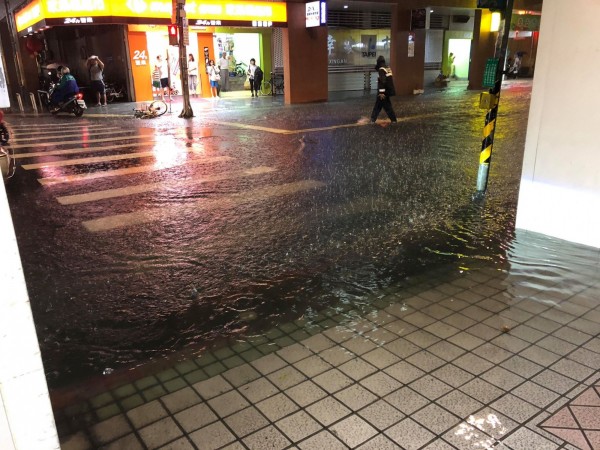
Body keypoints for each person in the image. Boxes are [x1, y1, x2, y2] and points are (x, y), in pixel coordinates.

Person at [370, 55, 397, 124]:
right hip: (388, 90)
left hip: (383, 92)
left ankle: (393, 120)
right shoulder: (387, 68)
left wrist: (381, 93)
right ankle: (373, 119)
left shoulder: (381, 69)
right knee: (379, 105)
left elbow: (383, 81)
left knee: (385, 106)